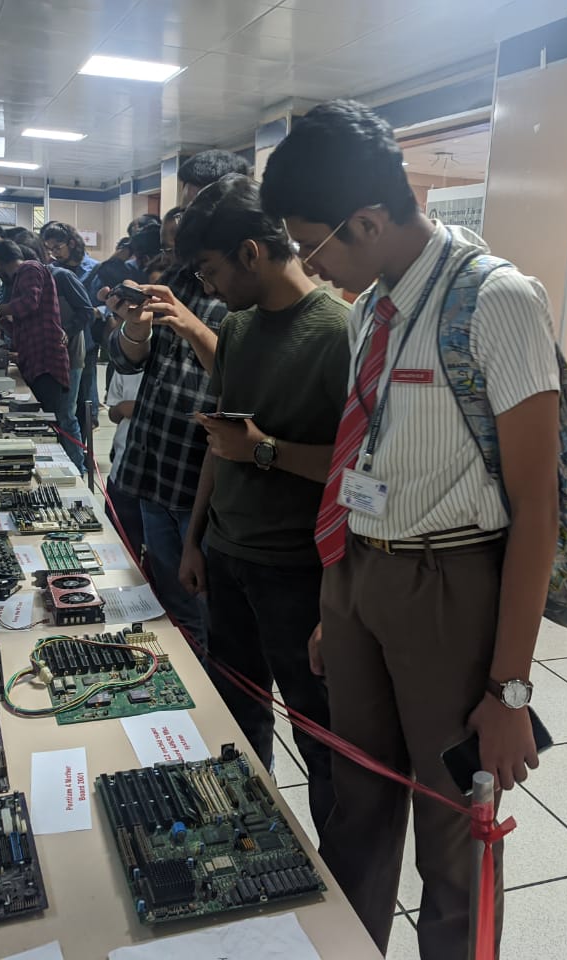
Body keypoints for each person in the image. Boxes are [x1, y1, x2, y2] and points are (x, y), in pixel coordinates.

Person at [261, 100, 560, 957]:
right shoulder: (371, 309)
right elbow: (364, 459)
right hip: (360, 578)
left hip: (449, 590)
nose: (312, 268)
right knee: (357, 803)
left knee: (452, 829)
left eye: (314, 245)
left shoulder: (496, 301)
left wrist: (510, 692)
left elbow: (537, 511)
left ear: (367, 220)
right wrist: (340, 600)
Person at [174, 174, 349, 834]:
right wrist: (195, 540)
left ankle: (339, 873)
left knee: (320, 736)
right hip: (227, 559)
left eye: (211, 270)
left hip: (296, 573)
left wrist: (265, 451)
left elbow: (360, 471)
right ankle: (251, 841)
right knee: (237, 717)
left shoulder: (339, 333)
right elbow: (220, 444)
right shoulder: (237, 327)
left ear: (250, 253)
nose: (209, 288)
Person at [103, 148, 250, 646]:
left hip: (199, 479)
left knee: (211, 617)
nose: (189, 220)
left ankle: (208, 689)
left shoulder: (247, 289)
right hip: (152, 466)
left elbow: (243, 380)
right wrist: (135, 327)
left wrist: (190, 326)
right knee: (168, 605)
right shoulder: (179, 276)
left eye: (201, 206)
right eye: (186, 207)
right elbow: (130, 361)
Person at [0, 240, 82, 470]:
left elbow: (29, 303)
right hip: (35, 361)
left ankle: (65, 471)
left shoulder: (29, 268)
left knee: (50, 425)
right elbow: (21, 327)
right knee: (41, 423)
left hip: (46, 362)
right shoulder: (25, 275)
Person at [46, 255, 97, 469]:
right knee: (55, 414)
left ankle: (78, 468)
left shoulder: (62, 277)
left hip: (71, 356)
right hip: (48, 357)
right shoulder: (26, 283)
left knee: (67, 414)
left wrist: (66, 331)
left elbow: (87, 312)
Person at [105, 368, 145, 559]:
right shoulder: (126, 367)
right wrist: (121, 408)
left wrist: (144, 409)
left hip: (159, 480)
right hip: (122, 469)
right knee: (121, 547)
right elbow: (113, 413)